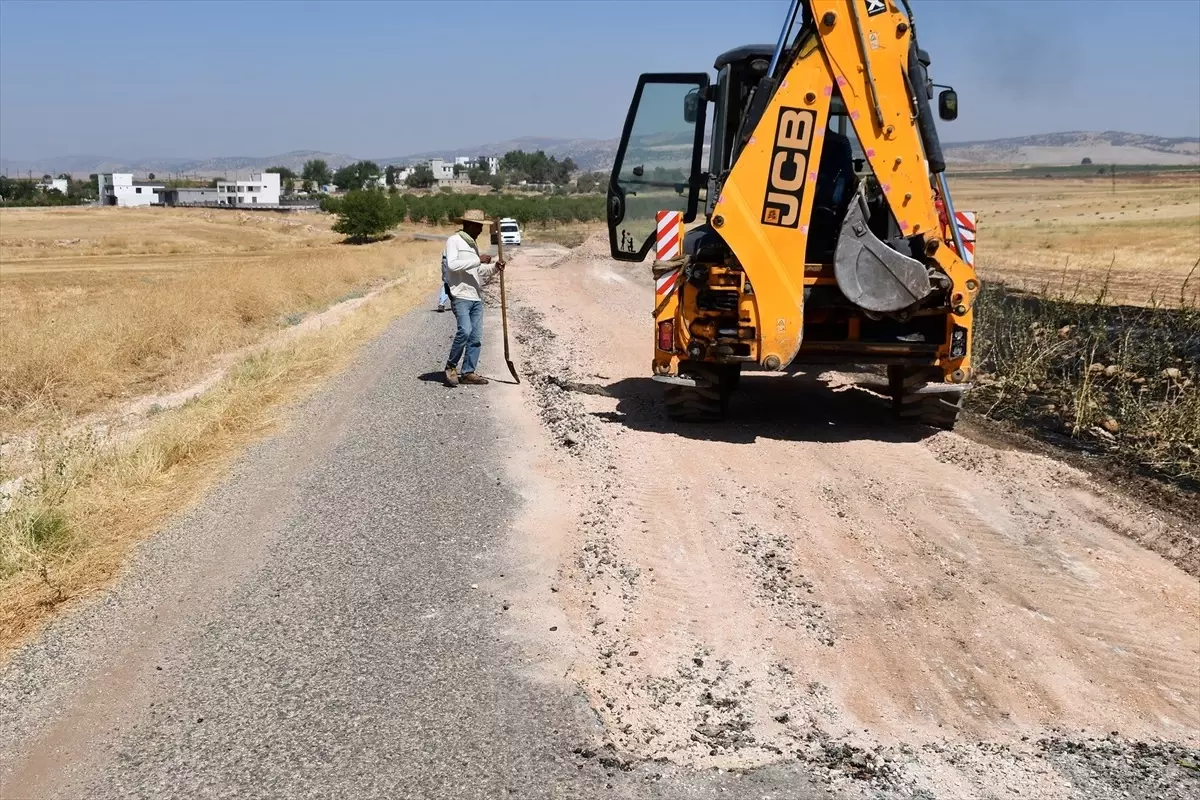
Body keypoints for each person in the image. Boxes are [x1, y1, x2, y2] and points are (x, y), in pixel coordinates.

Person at [442, 209, 506, 387]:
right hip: (460, 294)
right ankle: (451, 367)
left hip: (475, 296)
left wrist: (494, 267)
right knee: (465, 331)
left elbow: (477, 271)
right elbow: (453, 266)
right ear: (469, 225)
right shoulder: (454, 241)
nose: (480, 231)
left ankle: (468, 372)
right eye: (478, 227)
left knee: (476, 337)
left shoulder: (472, 244)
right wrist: (478, 260)